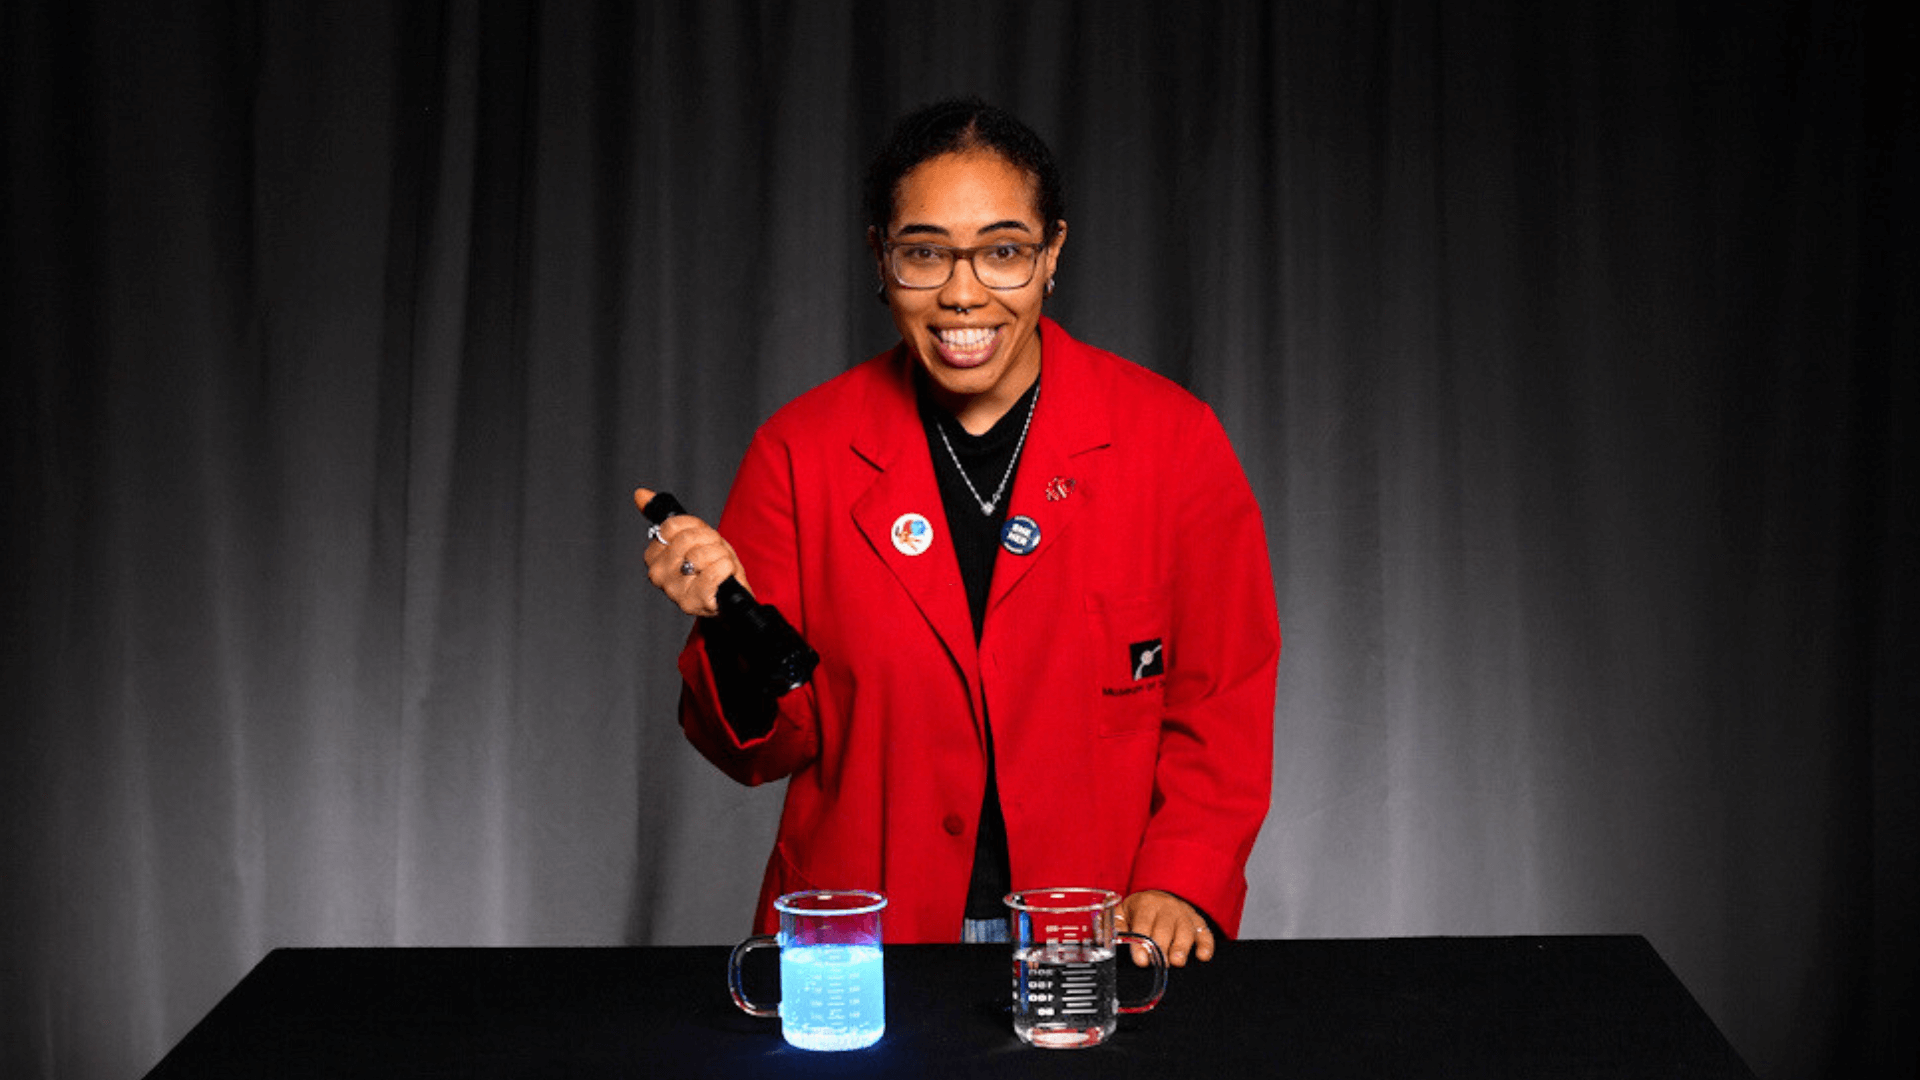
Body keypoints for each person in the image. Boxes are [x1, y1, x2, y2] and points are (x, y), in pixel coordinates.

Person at [637, 98, 1278, 968]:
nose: (963, 292)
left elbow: (1222, 696)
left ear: (1053, 253)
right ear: (880, 256)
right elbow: (766, 748)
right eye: (925, 253)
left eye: (1004, 252)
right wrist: (725, 623)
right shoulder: (800, 452)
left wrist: (1181, 877)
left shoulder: (1173, 440)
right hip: (861, 932)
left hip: (1102, 930)